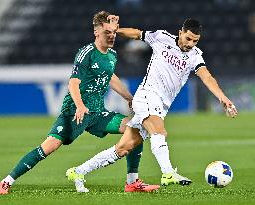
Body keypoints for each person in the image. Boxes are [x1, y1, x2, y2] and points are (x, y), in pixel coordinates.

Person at [0, 11, 160, 195]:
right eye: (107, 33)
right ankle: (6, 181)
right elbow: (73, 82)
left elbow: (110, 77)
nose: (112, 36)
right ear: (96, 32)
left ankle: (132, 182)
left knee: (135, 129)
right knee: (48, 147)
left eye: (113, 33)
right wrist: (80, 106)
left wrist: (128, 97)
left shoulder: (112, 55)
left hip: (97, 113)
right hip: (74, 112)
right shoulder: (86, 53)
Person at [65, 16, 238, 191]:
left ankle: (78, 171)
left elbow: (206, 77)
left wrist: (223, 98)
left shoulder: (195, 56)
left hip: (162, 106)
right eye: (188, 38)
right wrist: (117, 30)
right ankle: (168, 172)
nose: (190, 43)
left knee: (123, 148)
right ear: (180, 33)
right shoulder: (162, 38)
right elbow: (137, 34)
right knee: (159, 131)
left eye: (195, 41)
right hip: (147, 96)